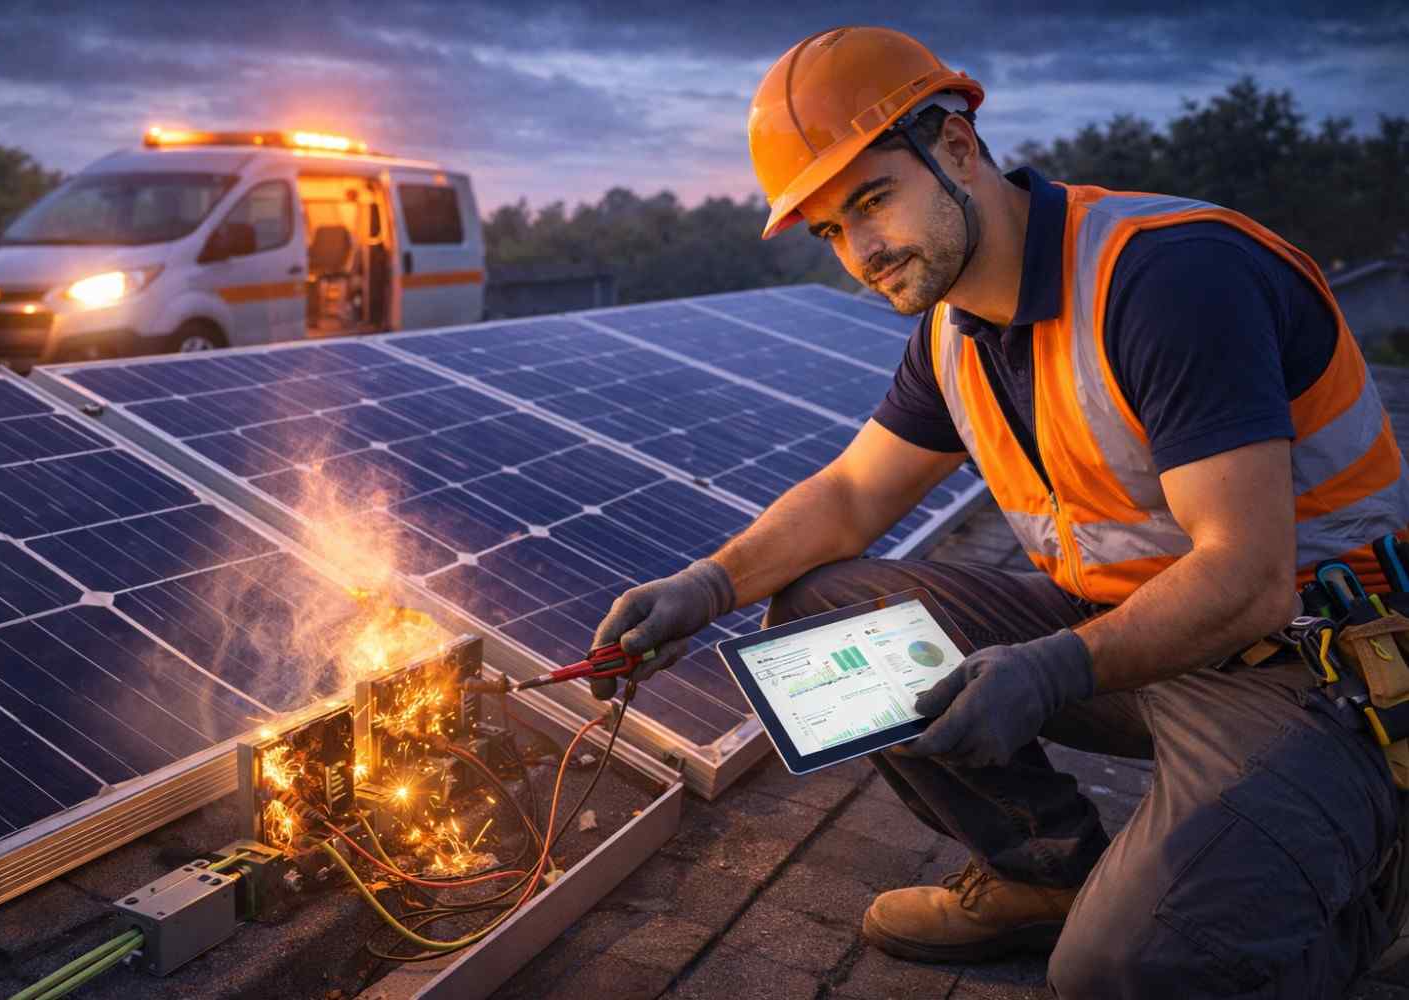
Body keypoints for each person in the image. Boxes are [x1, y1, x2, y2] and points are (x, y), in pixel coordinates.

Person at [589, 25, 1409, 1000]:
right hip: (1131, 640)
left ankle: (1357, 878)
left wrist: (1054, 666)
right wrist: (705, 586)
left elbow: (1249, 578)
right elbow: (853, 494)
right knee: (821, 612)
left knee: (1126, 973)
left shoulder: (1167, 278)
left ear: (959, 149)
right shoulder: (956, 328)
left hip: (1307, 670)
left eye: (872, 200)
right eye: (830, 231)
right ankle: (1041, 875)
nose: (862, 252)